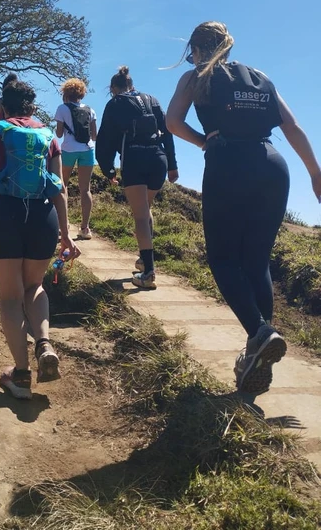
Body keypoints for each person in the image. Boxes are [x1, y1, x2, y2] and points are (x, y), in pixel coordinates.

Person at [166, 21, 321, 395]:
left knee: (222, 260)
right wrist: (316, 174)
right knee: (256, 262)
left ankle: (260, 332)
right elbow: (293, 127)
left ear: (197, 49)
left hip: (228, 163)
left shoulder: (194, 77)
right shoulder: (260, 77)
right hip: (273, 165)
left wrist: (205, 142)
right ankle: (258, 349)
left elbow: (172, 122)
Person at [0, 80, 81, 400]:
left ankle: (22, 375)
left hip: (5, 216)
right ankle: (43, 344)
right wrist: (67, 234)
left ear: (4, 106)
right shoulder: (47, 136)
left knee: (10, 297)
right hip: (43, 218)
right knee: (35, 287)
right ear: (32, 107)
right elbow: (60, 187)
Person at [96, 66, 178, 290]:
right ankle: (143, 260)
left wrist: (108, 169)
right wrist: (172, 165)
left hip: (134, 158)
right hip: (158, 158)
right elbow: (167, 131)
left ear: (114, 88)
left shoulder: (115, 103)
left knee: (140, 215)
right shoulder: (152, 99)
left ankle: (149, 272)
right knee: (146, 208)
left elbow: (105, 138)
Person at [54, 78, 97, 240]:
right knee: (85, 189)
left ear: (65, 93)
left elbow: (58, 134)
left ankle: (62, 225)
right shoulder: (90, 109)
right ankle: (85, 228)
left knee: (62, 186)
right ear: (82, 93)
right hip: (87, 150)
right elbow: (94, 135)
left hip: (68, 150)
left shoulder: (62, 109)